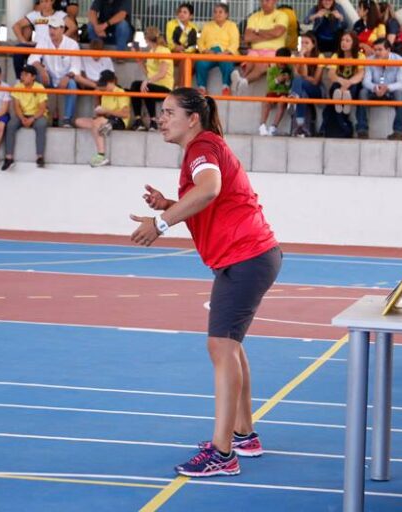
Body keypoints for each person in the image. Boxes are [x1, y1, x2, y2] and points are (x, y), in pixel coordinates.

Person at [129, 87, 282, 478]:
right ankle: (243, 435)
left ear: (192, 118)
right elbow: (212, 198)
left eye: (169, 112)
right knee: (230, 345)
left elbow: (210, 189)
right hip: (250, 256)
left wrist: (161, 223)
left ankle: (222, 453)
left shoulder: (202, 148)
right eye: (161, 112)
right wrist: (169, 204)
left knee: (220, 346)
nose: (161, 118)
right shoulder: (204, 148)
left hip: (246, 257)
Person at [27, 15, 80, 128]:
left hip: (65, 78)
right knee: (36, 77)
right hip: (49, 77)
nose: (51, 30)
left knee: (72, 84)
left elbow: (76, 67)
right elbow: (32, 59)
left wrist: (67, 77)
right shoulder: (44, 41)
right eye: (50, 27)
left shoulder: (72, 44)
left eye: (55, 28)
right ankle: (38, 114)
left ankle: (67, 120)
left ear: (62, 29)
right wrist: (42, 70)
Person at [75, 69, 130, 167]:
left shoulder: (120, 92)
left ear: (112, 82)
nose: (103, 87)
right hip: (106, 119)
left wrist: (106, 111)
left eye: (105, 84)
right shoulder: (104, 93)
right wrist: (98, 104)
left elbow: (125, 114)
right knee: (79, 121)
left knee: (97, 122)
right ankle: (102, 128)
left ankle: (101, 155)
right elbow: (101, 114)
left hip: (119, 121)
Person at [356, 37, 402, 140]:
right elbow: (366, 82)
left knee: (400, 94)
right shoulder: (369, 60)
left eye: (380, 50)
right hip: (375, 90)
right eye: (375, 50)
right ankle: (362, 130)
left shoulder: (400, 60)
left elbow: (401, 84)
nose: (377, 53)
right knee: (362, 93)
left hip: (391, 91)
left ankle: (399, 132)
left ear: (388, 50)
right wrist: (375, 88)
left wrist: (387, 88)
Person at [2, 64, 49, 171]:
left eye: (26, 74)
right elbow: (16, 106)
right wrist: (22, 118)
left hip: (36, 115)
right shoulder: (17, 86)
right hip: (22, 114)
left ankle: (40, 157)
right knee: (11, 125)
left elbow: (42, 108)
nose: (22, 77)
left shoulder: (39, 87)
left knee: (41, 125)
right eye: (22, 74)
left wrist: (32, 119)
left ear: (33, 77)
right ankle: (9, 157)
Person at [234, 0, 288, 90]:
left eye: (267, 0)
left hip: (274, 51)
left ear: (275, 1)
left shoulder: (282, 15)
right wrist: (270, 35)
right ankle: (242, 81)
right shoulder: (253, 17)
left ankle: (242, 81)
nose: (264, 3)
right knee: (250, 62)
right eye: (262, 1)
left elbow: (278, 32)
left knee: (261, 65)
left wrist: (257, 32)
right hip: (254, 51)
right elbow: (247, 37)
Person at [12, 0, 75, 77]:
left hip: (51, 47)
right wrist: (24, 41)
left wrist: (60, 40)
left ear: (52, 2)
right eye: (41, 2)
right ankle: (19, 78)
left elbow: (73, 27)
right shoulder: (34, 15)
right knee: (18, 49)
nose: (44, 4)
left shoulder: (60, 15)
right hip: (36, 46)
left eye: (46, 1)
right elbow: (16, 26)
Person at [129, 26, 173, 132]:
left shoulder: (164, 50)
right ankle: (138, 120)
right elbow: (148, 73)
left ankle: (153, 121)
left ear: (146, 39)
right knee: (135, 85)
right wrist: (139, 60)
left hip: (164, 86)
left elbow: (162, 73)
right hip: (153, 84)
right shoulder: (151, 51)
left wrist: (147, 81)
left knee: (146, 87)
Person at [195, 2, 239, 96]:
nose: (217, 14)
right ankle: (202, 88)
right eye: (215, 12)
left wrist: (225, 53)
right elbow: (200, 41)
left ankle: (226, 87)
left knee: (227, 63)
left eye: (220, 12)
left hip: (225, 53)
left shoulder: (232, 25)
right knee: (200, 63)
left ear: (226, 14)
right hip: (210, 54)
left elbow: (235, 43)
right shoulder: (207, 26)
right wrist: (206, 51)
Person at [289, 31, 326, 137]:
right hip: (301, 88)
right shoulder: (295, 56)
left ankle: (293, 98)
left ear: (313, 45)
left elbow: (315, 81)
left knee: (300, 83)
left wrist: (303, 62)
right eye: (302, 43)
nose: (304, 45)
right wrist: (301, 58)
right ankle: (300, 125)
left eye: (307, 43)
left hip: (316, 89)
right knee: (302, 94)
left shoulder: (320, 56)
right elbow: (296, 75)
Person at [328, 30, 364, 116]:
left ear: (354, 43)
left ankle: (346, 100)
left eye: (347, 41)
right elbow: (331, 74)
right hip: (340, 83)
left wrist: (348, 83)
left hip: (353, 84)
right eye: (342, 40)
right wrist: (341, 81)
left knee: (354, 86)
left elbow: (360, 74)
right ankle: (339, 101)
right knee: (335, 86)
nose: (343, 43)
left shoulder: (360, 56)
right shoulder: (336, 56)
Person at [258, 47, 292, 136]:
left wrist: (287, 81)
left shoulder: (290, 70)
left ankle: (273, 127)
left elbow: (290, 87)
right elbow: (270, 85)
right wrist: (277, 80)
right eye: (280, 61)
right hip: (272, 93)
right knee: (266, 102)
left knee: (282, 102)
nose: (282, 64)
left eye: (285, 62)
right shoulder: (271, 70)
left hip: (283, 94)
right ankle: (262, 125)